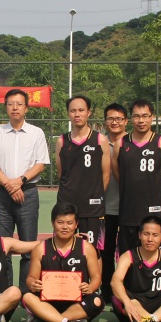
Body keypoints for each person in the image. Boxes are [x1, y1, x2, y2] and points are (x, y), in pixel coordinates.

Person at [0, 88, 50, 287]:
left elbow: (40, 164)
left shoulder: (36, 133)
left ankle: (26, 293)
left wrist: (20, 181)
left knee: (29, 248)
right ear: (5, 107)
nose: (15, 108)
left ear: (26, 108)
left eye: (19, 104)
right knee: (2, 248)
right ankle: (5, 293)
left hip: (28, 193)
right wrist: (10, 186)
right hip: (2, 195)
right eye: (11, 104)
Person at [21, 202, 104, 322]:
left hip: (77, 302)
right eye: (60, 222)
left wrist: (90, 287)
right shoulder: (41, 248)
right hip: (48, 301)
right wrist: (33, 284)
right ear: (53, 223)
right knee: (28, 297)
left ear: (76, 224)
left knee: (97, 301)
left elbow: (96, 277)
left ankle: (48, 321)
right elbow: (31, 278)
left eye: (70, 223)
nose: (65, 227)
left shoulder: (87, 248)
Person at [113, 99, 161, 254]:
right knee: (127, 258)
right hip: (129, 213)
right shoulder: (121, 144)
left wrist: (156, 188)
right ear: (131, 118)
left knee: (157, 259)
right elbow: (117, 173)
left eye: (145, 116)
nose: (141, 120)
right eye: (136, 116)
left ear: (152, 117)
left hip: (154, 213)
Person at [109, 214, 161, 322]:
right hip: (135, 303)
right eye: (146, 234)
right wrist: (127, 303)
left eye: (155, 235)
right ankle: (158, 321)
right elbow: (115, 281)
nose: (150, 239)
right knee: (117, 298)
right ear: (139, 235)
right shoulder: (128, 256)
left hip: (159, 304)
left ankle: (150, 321)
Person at [54, 94, 111, 251]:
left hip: (92, 207)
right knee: (64, 248)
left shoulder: (100, 140)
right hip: (67, 203)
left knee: (93, 250)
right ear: (68, 113)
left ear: (88, 112)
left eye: (81, 110)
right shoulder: (61, 141)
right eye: (73, 111)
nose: (77, 114)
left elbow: (106, 175)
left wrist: (95, 195)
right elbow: (61, 173)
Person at [101, 103, 128, 258]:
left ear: (126, 121)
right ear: (105, 121)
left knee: (129, 253)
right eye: (110, 119)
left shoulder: (133, 142)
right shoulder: (99, 143)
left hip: (129, 209)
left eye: (119, 119)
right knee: (105, 253)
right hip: (106, 208)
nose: (114, 122)